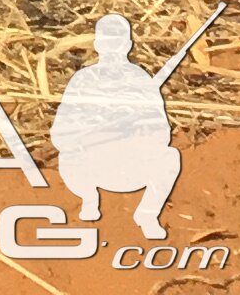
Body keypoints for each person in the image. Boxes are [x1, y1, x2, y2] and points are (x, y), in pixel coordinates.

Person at [52, 14, 182, 238]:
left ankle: (147, 214)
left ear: (127, 45)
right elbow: (60, 133)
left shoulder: (140, 79)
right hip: (91, 165)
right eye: (107, 42)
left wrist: (135, 127)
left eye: (116, 42)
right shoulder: (83, 80)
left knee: (170, 157)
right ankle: (89, 199)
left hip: (131, 165)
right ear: (98, 45)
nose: (112, 48)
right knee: (67, 156)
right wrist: (92, 129)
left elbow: (162, 133)